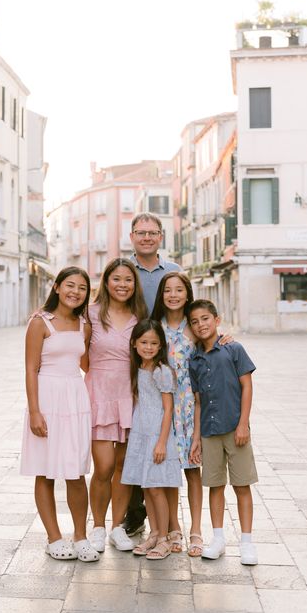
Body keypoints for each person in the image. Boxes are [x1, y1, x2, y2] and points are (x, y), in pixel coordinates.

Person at [20, 267, 99, 563]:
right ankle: (53, 537)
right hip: (47, 399)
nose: (75, 292)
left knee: (76, 471)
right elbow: (30, 368)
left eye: (81, 288)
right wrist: (35, 411)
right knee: (46, 470)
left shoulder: (83, 325)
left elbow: (88, 365)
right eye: (69, 285)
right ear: (56, 287)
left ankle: (80, 536)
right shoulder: (40, 322)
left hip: (75, 399)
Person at [188, 299, 259, 566]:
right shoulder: (194, 359)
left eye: (205, 319)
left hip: (234, 427)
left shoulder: (233, 349)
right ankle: (217, 538)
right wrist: (196, 438)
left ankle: (247, 542)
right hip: (209, 430)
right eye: (194, 322)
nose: (200, 325)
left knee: (242, 485)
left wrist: (243, 423)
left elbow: (247, 387)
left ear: (216, 320)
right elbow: (197, 401)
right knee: (215, 486)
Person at [124, 212, 181, 536]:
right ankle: (135, 512)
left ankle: (169, 522)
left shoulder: (173, 272)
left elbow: (189, 309)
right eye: (140, 232)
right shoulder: (124, 270)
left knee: (164, 442)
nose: (146, 237)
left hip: (165, 361)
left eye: (152, 232)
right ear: (132, 236)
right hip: (133, 359)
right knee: (134, 437)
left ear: (161, 236)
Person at [85, 258, 147, 553]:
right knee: (104, 467)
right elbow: (80, 353)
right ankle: (97, 526)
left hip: (130, 396)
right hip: (99, 394)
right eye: (116, 279)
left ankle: (117, 527)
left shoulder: (140, 315)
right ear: (106, 282)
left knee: (125, 466)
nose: (122, 285)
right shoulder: (91, 313)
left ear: (134, 285)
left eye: (128, 280)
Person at [150, 271, 204, 557]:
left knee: (193, 469)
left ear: (187, 293)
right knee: (169, 470)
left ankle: (196, 529)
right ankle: (174, 528)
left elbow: (215, 347)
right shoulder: (155, 328)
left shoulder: (194, 328)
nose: (173, 295)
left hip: (191, 406)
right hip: (165, 407)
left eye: (178, 290)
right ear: (161, 295)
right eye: (168, 290)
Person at [121, 319, 182, 559]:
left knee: (157, 488)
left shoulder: (161, 371)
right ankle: (154, 533)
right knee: (146, 487)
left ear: (160, 346)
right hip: (141, 432)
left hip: (158, 434)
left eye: (154, 343)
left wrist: (161, 442)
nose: (148, 347)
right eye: (144, 342)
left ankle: (165, 538)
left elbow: (168, 409)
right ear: (134, 343)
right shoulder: (138, 368)